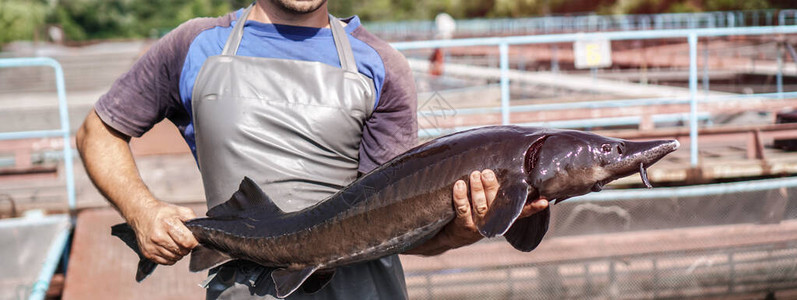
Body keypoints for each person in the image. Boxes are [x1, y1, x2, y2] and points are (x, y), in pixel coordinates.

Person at [75, 0, 549, 299]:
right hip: (246, 290)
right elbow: (98, 132)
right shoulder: (195, 45)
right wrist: (141, 210)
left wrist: (465, 228)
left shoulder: (382, 65)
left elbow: (397, 227)